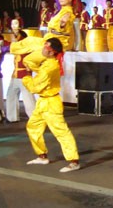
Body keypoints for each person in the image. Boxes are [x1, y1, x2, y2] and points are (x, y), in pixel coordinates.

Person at [23, 37, 80, 173]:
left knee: (61, 132)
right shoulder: (47, 62)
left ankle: (74, 161)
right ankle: (42, 156)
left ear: (51, 52)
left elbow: (35, 87)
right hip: (43, 101)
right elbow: (34, 65)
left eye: (46, 48)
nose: (43, 49)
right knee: (33, 126)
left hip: (50, 103)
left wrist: (26, 76)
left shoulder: (50, 67)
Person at [5, 30, 37, 122]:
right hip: (15, 76)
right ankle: (12, 118)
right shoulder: (17, 49)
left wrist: (16, 32)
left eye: (17, 37)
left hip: (24, 76)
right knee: (11, 95)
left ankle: (34, 117)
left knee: (28, 98)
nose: (16, 39)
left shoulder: (27, 49)